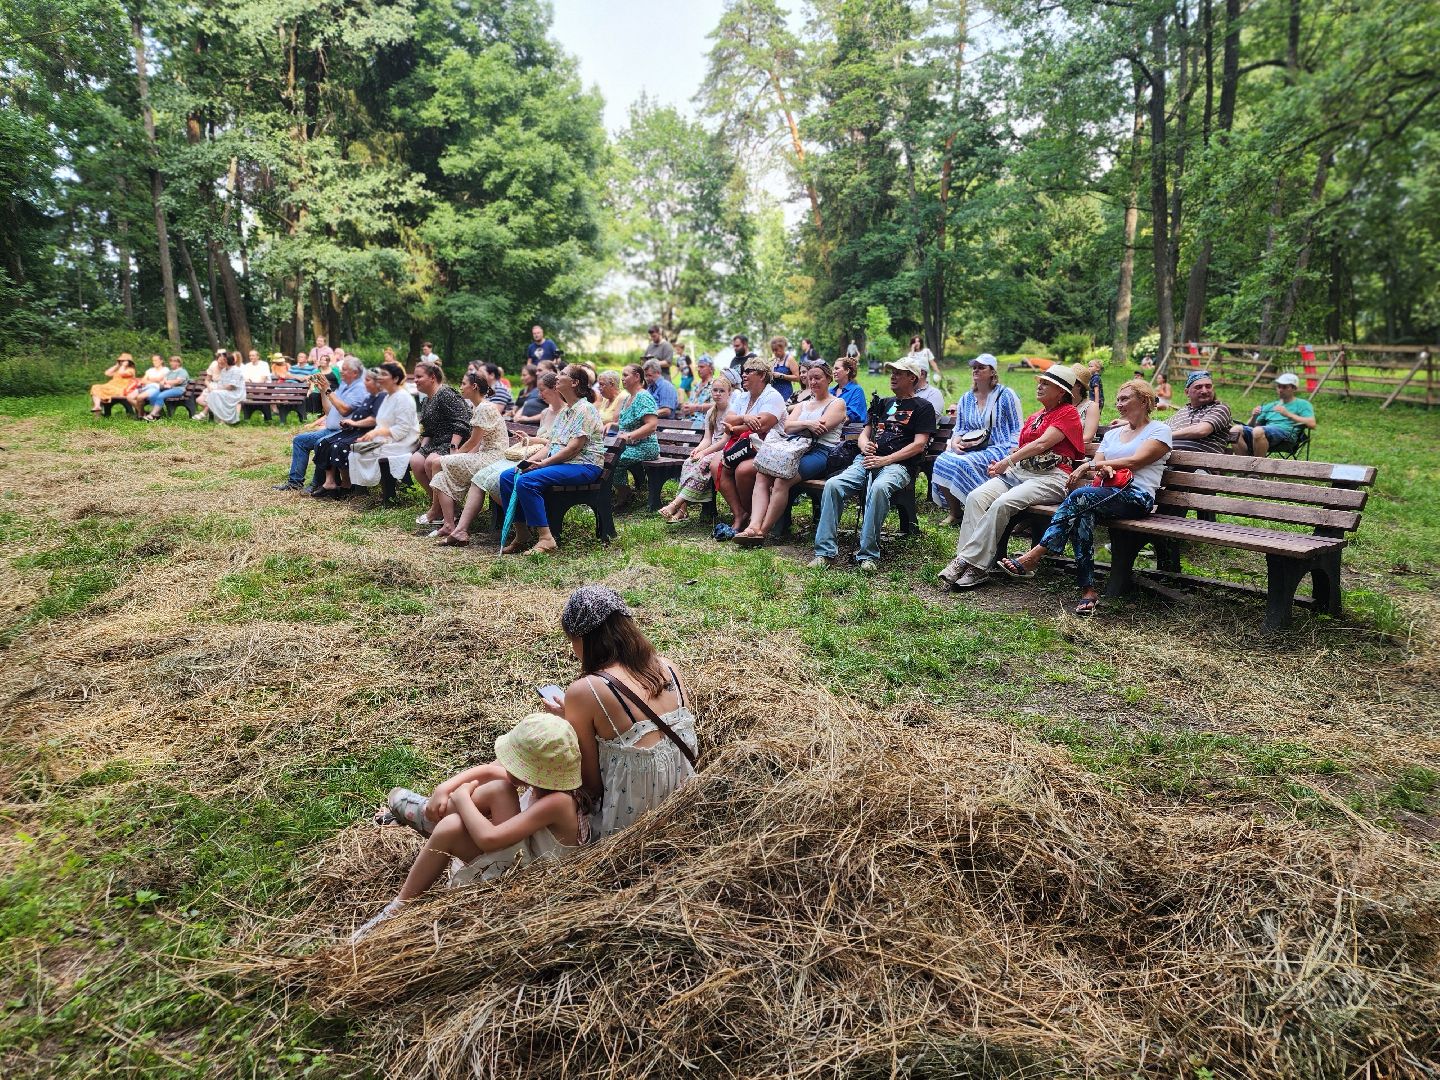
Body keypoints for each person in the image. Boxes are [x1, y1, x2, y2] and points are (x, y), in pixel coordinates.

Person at [351, 712, 589, 942]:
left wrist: (462, 797)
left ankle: (427, 826)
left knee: (459, 819)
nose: (509, 765)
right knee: (499, 788)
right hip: (519, 857)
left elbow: (489, 839)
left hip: (525, 878)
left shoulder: (559, 802)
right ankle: (428, 820)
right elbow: (487, 770)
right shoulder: (544, 784)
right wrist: (443, 789)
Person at [997, 379, 1173, 618]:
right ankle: (1088, 591)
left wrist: (1092, 465)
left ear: (1144, 400)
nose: (1118, 404)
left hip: (1137, 496)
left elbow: (1136, 461)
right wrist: (1101, 469)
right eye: (1117, 400)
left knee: (1080, 497)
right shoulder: (1112, 435)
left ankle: (1038, 553)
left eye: (1124, 399)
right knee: (1083, 516)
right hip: (1104, 495)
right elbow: (1100, 464)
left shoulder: (1159, 430)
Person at [544, 586, 697, 839]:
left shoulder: (587, 690)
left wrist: (568, 725)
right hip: (683, 807)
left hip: (629, 828)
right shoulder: (669, 668)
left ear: (583, 638)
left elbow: (590, 787)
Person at [936, 364, 1086, 591]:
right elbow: (1023, 447)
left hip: (1052, 478)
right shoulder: (1036, 416)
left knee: (1003, 503)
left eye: (1046, 383)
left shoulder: (1068, 413)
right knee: (976, 497)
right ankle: (970, 566)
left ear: (1061, 392)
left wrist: (1008, 461)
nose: (1039, 386)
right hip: (1021, 473)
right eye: (1040, 382)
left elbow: (1043, 444)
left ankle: (969, 564)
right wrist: (1004, 462)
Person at [808, 358, 936, 572]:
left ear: (912, 378)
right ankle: (824, 552)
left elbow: (919, 445)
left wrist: (885, 460)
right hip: (867, 460)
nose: (893, 376)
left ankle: (868, 555)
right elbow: (864, 434)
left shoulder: (923, 407)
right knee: (833, 485)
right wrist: (865, 445)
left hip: (899, 466)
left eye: (899, 372)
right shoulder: (883, 404)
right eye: (892, 371)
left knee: (878, 488)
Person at [489, 364, 606, 555]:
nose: (557, 377)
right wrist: (528, 463)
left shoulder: (585, 409)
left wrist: (544, 464)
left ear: (575, 383)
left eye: (563, 374)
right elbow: (551, 445)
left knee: (527, 481)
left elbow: (574, 448)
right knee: (509, 476)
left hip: (583, 465)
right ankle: (522, 535)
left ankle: (546, 539)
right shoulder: (565, 411)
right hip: (564, 463)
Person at [735, 361, 848, 546]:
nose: (813, 382)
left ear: (828, 379)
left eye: (818, 378)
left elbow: (821, 427)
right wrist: (806, 424)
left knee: (782, 478)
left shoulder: (837, 403)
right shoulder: (803, 405)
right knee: (762, 474)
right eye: (810, 378)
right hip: (794, 448)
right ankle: (753, 526)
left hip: (821, 452)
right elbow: (787, 426)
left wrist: (804, 425)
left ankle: (762, 532)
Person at [444, 374, 566, 541]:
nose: (539, 394)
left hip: (546, 458)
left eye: (542, 390)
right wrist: (527, 438)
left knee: (498, 479)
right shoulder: (545, 412)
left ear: (554, 389)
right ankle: (461, 530)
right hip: (527, 453)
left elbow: (555, 444)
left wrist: (533, 444)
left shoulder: (565, 413)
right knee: (480, 478)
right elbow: (542, 440)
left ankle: (524, 523)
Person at [929, 354, 1023, 523]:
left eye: (981, 367)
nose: (976, 370)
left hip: (1000, 447)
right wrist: (956, 442)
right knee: (942, 460)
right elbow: (960, 428)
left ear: (992, 372)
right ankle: (956, 513)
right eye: (974, 367)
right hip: (971, 446)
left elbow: (1018, 428)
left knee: (964, 463)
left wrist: (1011, 455)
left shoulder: (1006, 395)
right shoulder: (966, 398)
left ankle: (977, 512)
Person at [426, 371, 510, 536]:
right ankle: (448, 524)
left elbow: (473, 441)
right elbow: (477, 443)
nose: (461, 387)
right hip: (485, 455)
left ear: (474, 386)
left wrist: (454, 456)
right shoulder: (479, 407)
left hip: (492, 458)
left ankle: (436, 510)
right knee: (441, 475)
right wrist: (462, 456)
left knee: (437, 463)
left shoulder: (484, 408)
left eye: (463, 384)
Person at [713, 358, 787, 536]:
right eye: (743, 371)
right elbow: (727, 420)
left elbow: (762, 425)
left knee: (743, 470)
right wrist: (745, 418)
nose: (743, 375)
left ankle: (756, 518)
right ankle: (740, 513)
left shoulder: (773, 396)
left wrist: (734, 427)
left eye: (749, 371)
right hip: (742, 445)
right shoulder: (743, 396)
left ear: (762, 375)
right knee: (716, 464)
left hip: (766, 447)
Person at [274, 356, 369, 490]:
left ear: (355, 372)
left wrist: (328, 390)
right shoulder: (344, 386)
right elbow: (329, 411)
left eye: (345, 370)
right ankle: (294, 483)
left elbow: (345, 410)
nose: (341, 372)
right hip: (330, 429)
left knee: (321, 444)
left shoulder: (359, 388)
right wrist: (323, 392)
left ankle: (317, 484)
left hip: (343, 432)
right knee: (300, 440)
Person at [658, 371, 737, 523]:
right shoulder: (711, 412)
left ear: (729, 393)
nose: (718, 394)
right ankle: (682, 510)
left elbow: (724, 441)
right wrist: (698, 449)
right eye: (715, 390)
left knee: (703, 462)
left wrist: (705, 453)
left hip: (726, 449)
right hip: (712, 448)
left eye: (722, 391)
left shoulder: (731, 412)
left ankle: (674, 505)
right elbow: (708, 438)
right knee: (689, 461)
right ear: (711, 392)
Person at [409, 361, 475, 523]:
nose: (415, 380)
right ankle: (443, 507)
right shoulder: (426, 400)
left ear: (432, 377)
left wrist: (454, 448)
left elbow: (461, 422)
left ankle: (440, 510)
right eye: (414, 377)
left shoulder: (446, 393)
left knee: (431, 461)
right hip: (436, 442)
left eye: (419, 377)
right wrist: (421, 449)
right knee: (416, 461)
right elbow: (428, 431)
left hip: (455, 440)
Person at [347, 362, 419, 502]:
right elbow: (382, 423)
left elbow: (402, 429)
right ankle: (361, 492)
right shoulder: (388, 396)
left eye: (384, 374)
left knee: (373, 453)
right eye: (379, 374)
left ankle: (389, 495)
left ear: (395, 379)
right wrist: (368, 437)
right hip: (388, 438)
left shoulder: (403, 397)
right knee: (355, 451)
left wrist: (376, 434)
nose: (379, 377)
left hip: (405, 441)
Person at [311, 368, 386, 498]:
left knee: (338, 446)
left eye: (367, 380)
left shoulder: (382, 396)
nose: (364, 383)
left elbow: (375, 419)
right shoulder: (368, 396)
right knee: (324, 443)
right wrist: (349, 422)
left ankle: (347, 484)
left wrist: (354, 423)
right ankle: (330, 483)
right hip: (356, 429)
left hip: (372, 432)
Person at [1231, 372, 1315, 456]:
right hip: (1263, 433)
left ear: (1294, 388)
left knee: (1258, 431)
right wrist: (1254, 417)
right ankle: (1245, 464)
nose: (1280, 389)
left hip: (1287, 437)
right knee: (1235, 430)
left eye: (1284, 387)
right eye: (1279, 386)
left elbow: (1312, 424)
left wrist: (1289, 415)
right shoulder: (1271, 406)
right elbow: (1252, 426)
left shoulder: (1303, 404)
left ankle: (1257, 466)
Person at [613, 364, 660, 508]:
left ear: (637, 377)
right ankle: (623, 491)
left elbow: (652, 425)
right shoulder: (628, 398)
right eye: (622, 375)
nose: (622, 379)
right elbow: (626, 424)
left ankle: (624, 494)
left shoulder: (643, 397)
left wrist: (629, 436)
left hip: (645, 446)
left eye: (626, 375)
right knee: (605, 456)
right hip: (629, 446)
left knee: (614, 459)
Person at [1165, 370, 1232, 453]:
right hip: (1169, 460)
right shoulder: (1182, 412)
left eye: (1208, 386)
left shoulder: (1220, 408)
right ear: (1187, 392)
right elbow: (1162, 428)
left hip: (1203, 463)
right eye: (1198, 387)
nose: (1204, 391)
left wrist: (1166, 435)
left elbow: (1201, 431)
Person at [194, 352, 247, 424]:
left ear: (227, 361)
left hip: (236, 393)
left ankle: (204, 413)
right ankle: (221, 419)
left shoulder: (236, 370)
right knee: (214, 393)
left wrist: (217, 389)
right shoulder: (224, 370)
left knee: (215, 393)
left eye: (223, 360)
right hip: (227, 391)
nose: (221, 362)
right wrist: (217, 388)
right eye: (220, 360)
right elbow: (221, 384)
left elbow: (231, 386)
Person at [143, 355, 193, 421]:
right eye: (170, 361)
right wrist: (165, 383)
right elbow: (163, 381)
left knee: (161, 396)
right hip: (169, 389)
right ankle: (158, 414)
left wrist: (167, 382)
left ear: (178, 363)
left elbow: (178, 381)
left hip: (179, 390)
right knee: (154, 394)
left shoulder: (182, 371)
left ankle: (152, 415)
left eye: (173, 361)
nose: (171, 363)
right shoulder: (170, 372)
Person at [832, 355, 867, 424]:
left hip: (850, 432)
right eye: (833, 369)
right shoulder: (830, 391)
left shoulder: (856, 390)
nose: (833, 372)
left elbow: (852, 415)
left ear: (847, 370)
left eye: (837, 369)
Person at [767, 335, 800, 402]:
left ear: (782, 347)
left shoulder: (790, 359)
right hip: (774, 393)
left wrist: (781, 376)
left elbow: (798, 378)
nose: (775, 352)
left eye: (776, 350)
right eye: (773, 350)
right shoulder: (774, 360)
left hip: (785, 392)